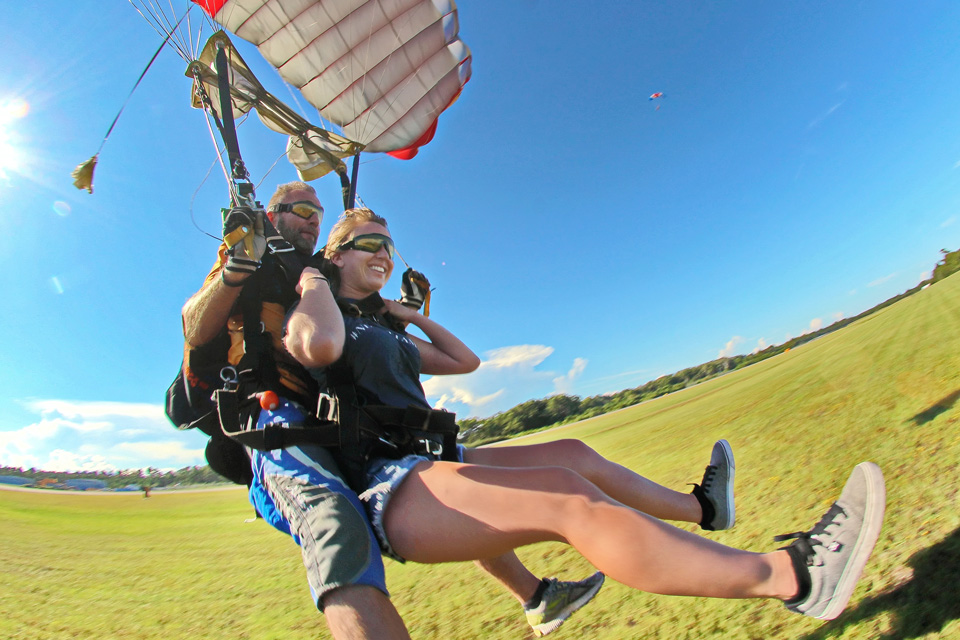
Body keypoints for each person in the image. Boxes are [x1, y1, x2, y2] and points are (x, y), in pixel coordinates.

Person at [284, 207, 887, 632]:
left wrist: (402, 311)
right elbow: (318, 348)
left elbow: (463, 361)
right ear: (336, 253)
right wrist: (315, 279)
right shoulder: (320, 309)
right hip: (387, 483)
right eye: (370, 244)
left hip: (430, 457)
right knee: (568, 497)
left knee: (572, 453)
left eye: (390, 246)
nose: (385, 254)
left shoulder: (379, 325)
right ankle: (792, 577)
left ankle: (706, 508)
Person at [183, 183, 650, 638]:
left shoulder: (321, 271)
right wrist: (237, 268)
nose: (311, 221)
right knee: (333, 521)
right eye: (300, 211)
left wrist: (407, 308)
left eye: (318, 214)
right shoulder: (253, 254)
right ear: (271, 213)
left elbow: (377, 349)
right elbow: (194, 324)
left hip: (337, 413)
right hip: (273, 415)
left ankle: (536, 596)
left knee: (444, 480)